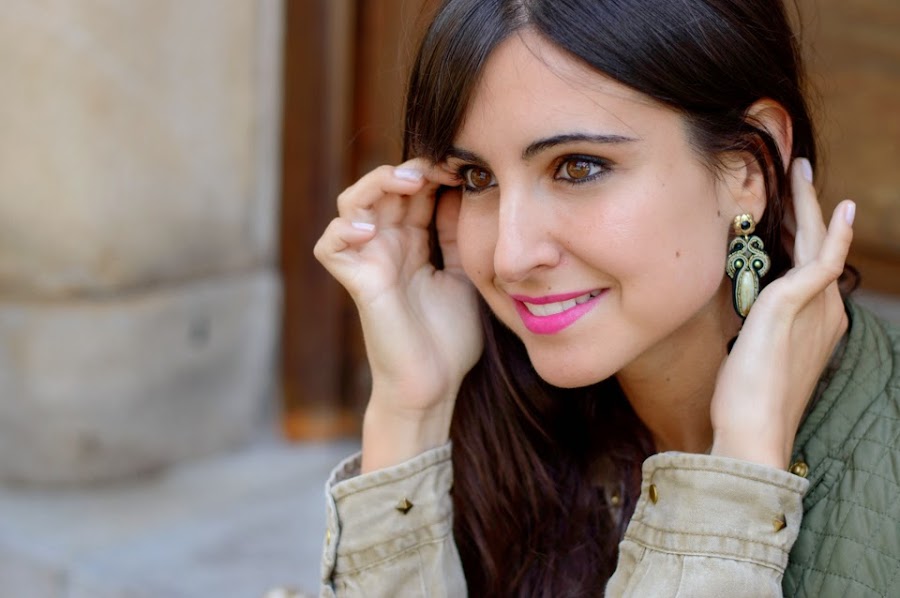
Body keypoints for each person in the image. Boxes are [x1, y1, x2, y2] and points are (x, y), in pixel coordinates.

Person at [314, 0, 900, 595]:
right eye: (477, 178)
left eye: (578, 168)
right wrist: (412, 411)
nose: (510, 257)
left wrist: (734, 481)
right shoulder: (507, 434)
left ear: (747, 170)